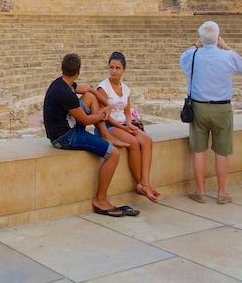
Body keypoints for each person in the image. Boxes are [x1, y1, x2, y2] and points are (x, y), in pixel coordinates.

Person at [43, 53, 133, 217]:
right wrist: (103, 115)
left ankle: (105, 134)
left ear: (62, 69)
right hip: (64, 137)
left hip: (67, 126)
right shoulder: (65, 93)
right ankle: (100, 200)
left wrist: (107, 105)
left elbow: (90, 90)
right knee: (113, 154)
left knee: (91, 97)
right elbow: (85, 120)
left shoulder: (62, 84)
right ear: (79, 71)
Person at [181, 21, 242, 204]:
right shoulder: (227, 56)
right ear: (217, 37)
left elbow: (183, 57)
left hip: (199, 107)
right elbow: (241, 65)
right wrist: (224, 45)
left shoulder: (193, 55)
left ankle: (200, 191)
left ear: (201, 38)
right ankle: (222, 192)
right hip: (222, 108)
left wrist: (196, 44)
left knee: (199, 151)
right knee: (221, 152)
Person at [96, 51, 157, 202]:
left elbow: (127, 112)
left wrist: (130, 125)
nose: (114, 71)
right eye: (111, 67)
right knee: (133, 143)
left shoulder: (126, 89)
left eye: (117, 68)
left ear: (124, 69)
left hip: (123, 124)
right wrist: (124, 128)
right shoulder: (103, 88)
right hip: (108, 126)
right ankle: (140, 184)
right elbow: (104, 116)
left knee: (147, 141)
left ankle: (146, 182)